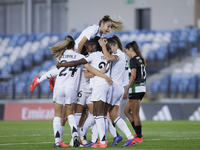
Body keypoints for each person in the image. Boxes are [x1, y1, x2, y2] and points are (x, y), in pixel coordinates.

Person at [30, 15, 123, 92]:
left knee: (68, 70)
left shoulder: (100, 34)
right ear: (102, 24)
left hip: (81, 52)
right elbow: (82, 43)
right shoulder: (94, 30)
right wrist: (78, 57)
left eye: (110, 27)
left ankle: (52, 79)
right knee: (67, 69)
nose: (109, 29)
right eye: (108, 26)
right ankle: (37, 80)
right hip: (75, 50)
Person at [51, 35, 112, 148]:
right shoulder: (82, 56)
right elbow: (90, 69)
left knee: (58, 115)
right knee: (72, 114)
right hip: (73, 88)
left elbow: (56, 71)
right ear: (74, 45)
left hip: (60, 87)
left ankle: (57, 141)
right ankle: (76, 135)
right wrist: (103, 75)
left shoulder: (60, 56)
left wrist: (41, 79)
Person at [98, 35, 136, 147]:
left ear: (115, 45)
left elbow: (108, 58)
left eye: (111, 48)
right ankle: (129, 137)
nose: (110, 50)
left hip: (114, 87)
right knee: (113, 115)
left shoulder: (118, 54)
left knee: (101, 115)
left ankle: (106, 139)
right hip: (119, 87)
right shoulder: (123, 55)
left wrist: (102, 46)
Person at [123, 41, 147, 143]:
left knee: (135, 114)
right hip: (141, 88)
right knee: (126, 111)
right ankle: (138, 133)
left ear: (130, 49)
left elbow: (133, 76)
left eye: (126, 51)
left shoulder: (133, 60)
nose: (126, 53)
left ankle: (138, 137)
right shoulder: (140, 59)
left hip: (135, 88)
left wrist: (127, 88)